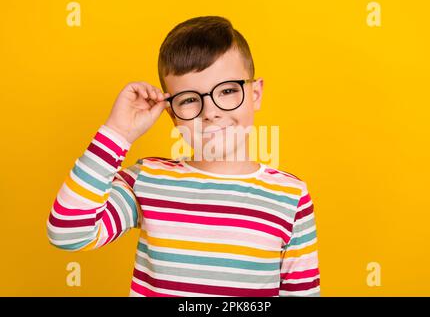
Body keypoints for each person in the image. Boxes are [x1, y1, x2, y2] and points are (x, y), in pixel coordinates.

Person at [47, 15, 320, 297]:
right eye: (190, 99)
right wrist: (118, 132)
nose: (210, 112)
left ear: (255, 94)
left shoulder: (291, 195)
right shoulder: (148, 179)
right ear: (170, 111)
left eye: (227, 91)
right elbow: (69, 233)